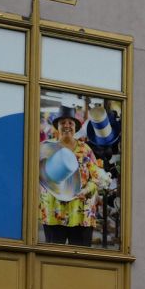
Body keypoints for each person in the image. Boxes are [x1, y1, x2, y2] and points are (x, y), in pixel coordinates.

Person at [39, 106, 103, 247]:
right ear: (57, 127)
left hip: (80, 213)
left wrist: (85, 191)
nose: (67, 126)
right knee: (53, 258)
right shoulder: (47, 149)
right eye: (63, 123)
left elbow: (96, 178)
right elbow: (36, 174)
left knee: (80, 259)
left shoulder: (85, 150)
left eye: (70, 123)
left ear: (75, 127)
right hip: (54, 212)